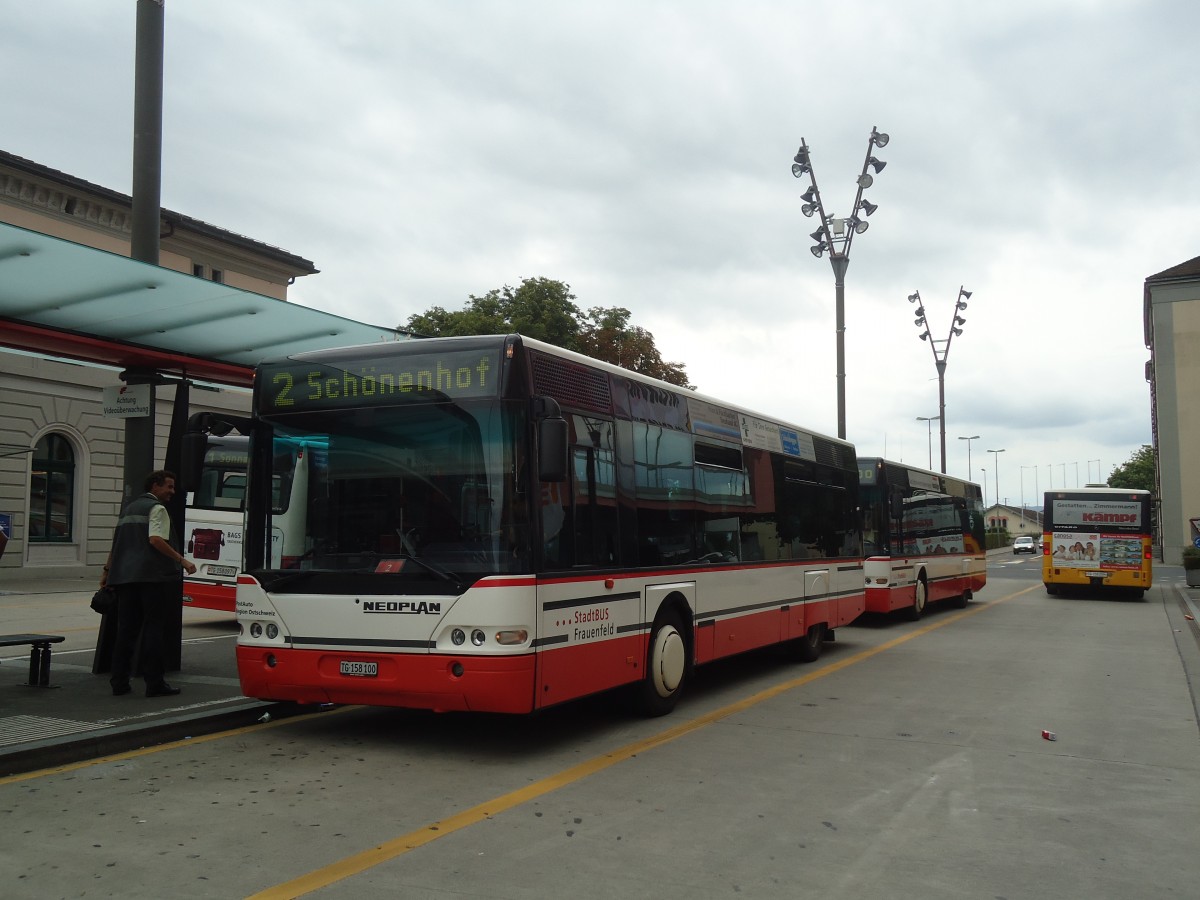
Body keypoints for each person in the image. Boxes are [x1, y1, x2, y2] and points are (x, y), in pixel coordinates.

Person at [100, 470, 196, 697]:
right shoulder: (157, 509)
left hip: (125, 578)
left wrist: (106, 572)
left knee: (125, 631)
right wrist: (182, 560)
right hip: (151, 578)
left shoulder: (128, 510)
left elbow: (117, 545)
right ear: (155, 485)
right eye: (169, 487)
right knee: (154, 629)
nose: (172, 492)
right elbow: (155, 539)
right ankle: (155, 683)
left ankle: (119, 682)